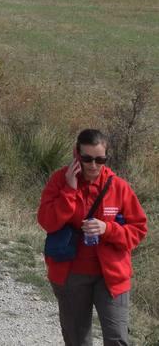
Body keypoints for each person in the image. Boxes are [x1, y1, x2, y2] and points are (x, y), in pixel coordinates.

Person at [38, 130, 148, 346]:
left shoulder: (119, 187)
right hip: (71, 274)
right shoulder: (60, 180)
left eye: (100, 159)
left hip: (111, 276)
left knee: (117, 338)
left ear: (106, 158)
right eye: (86, 158)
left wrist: (107, 229)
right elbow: (47, 221)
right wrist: (69, 191)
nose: (93, 165)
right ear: (76, 155)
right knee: (77, 339)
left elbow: (139, 230)